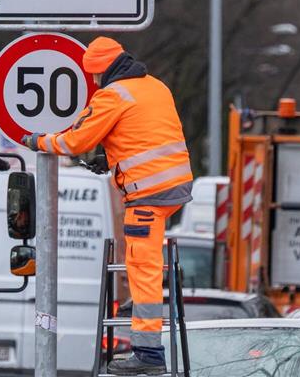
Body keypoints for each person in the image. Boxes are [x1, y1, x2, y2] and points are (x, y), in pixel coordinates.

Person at [21, 36, 192, 376]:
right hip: (174, 186)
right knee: (138, 256)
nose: (95, 81)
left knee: (143, 266)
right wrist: (110, 158)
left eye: (94, 76)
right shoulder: (155, 86)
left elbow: (75, 141)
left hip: (148, 193)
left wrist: (38, 141)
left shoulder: (112, 96)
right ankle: (139, 305)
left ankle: (149, 353)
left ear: (101, 71)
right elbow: (144, 134)